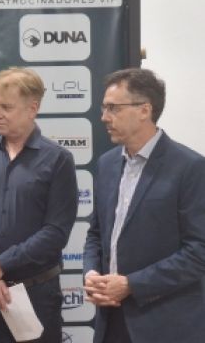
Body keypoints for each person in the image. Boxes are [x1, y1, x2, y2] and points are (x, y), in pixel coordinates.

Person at [0, 67, 78, 342]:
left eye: (6, 107)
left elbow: (56, 232)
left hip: (36, 295)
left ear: (32, 108)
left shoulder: (58, 160)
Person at [83, 68, 205, 343]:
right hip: (110, 318)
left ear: (144, 110)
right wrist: (91, 273)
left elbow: (199, 251)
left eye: (113, 108)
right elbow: (96, 234)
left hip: (165, 324)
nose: (104, 117)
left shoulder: (190, 167)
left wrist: (131, 284)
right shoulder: (107, 164)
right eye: (104, 108)